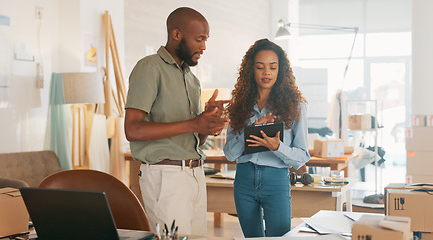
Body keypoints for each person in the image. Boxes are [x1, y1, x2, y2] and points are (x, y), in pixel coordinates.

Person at [124, 7, 229, 236]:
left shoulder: (192, 79)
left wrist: (207, 122)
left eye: (206, 40)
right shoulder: (149, 68)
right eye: (199, 39)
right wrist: (194, 123)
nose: (203, 47)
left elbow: (196, 141)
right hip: (166, 176)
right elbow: (132, 129)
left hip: (195, 174)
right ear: (177, 34)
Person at [223, 38, 311, 237]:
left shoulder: (296, 106)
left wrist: (276, 146)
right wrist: (251, 132)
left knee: (279, 238)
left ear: (281, 70)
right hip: (244, 180)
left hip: (276, 180)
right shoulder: (239, 105)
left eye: (272, 67)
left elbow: (301, 156)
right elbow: (229, 154)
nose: (266, 73)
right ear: (250, 70)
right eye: (260, 67)